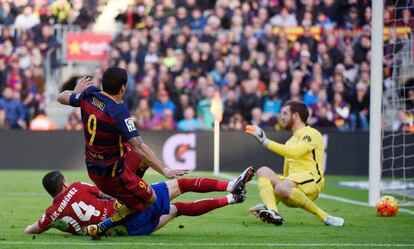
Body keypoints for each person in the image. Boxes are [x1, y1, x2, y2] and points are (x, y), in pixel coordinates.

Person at [57, 69, 188, 239]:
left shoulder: (88, 95)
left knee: (143, 162)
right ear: (123, 88)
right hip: (112, 174)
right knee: (150, 199)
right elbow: (139, 146)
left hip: (92, 167)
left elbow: (61, 97)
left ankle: (129, 194)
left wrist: (76, 92)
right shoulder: (118, 111)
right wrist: (165, 170)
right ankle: (106, 225)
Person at [25, 167, 254, 235]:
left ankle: (231, 199)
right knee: (180, 186)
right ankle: (229, 186)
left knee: (176, 210)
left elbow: (32, 229)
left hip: (125, 231)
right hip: (128, 209)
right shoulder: (76, 187)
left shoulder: (51, 215)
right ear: (64, 183)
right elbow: (105, 194)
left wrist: (48, 223)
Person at [245, 100, 344, 227]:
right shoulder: (290, 141)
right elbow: (286, 175)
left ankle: (324, 217)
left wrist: (265, 141)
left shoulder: (312, 133)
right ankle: (272, 211)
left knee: (281, 186)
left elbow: (295, 153)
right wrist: (270, 201)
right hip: (292, 185)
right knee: (262, 171)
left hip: (312, 181)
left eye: (285, 113)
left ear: (295, 116)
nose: (281, 117)